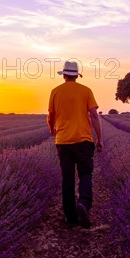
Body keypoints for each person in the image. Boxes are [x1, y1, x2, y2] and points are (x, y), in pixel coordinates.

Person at [47, 61, 103, 229]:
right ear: (76, 75)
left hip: (63, 142)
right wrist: (99, 139)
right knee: (85, 174)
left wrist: (53, 131)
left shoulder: (55, 91)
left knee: (68, 178)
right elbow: (94, 116)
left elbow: (51, 116)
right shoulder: (86, 91)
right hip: (83, 140)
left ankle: (70, 218)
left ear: (64, 75)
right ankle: (84, 204)